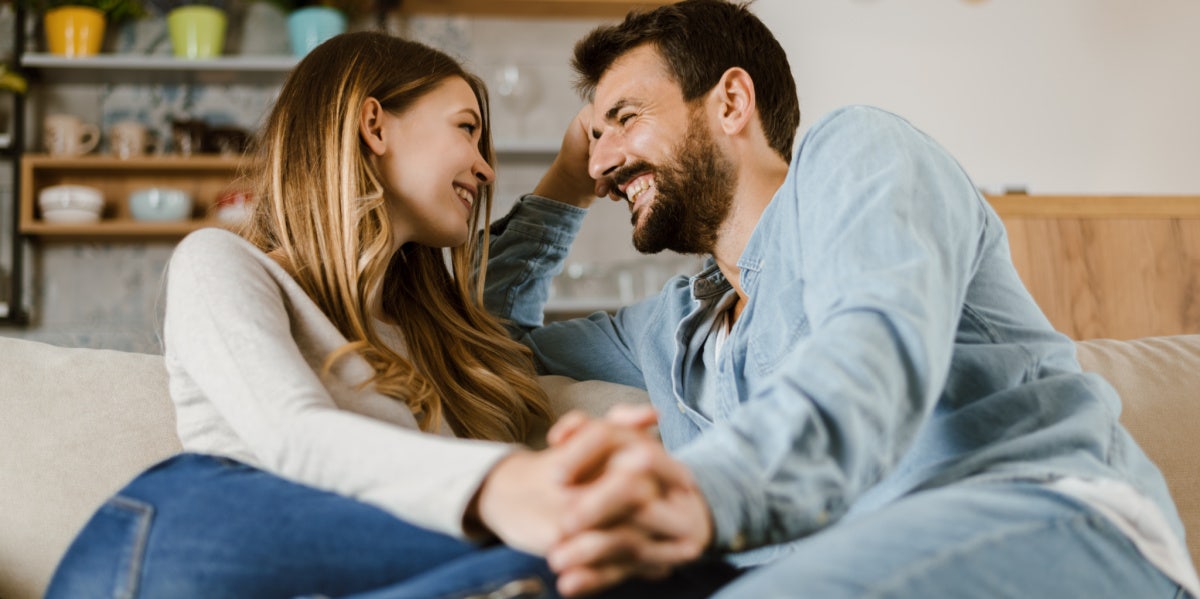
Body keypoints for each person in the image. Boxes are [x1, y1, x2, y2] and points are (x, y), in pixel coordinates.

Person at [482, 1, 1200, 597]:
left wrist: (703, 490)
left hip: (1054, 521)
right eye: (594, 138)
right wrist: (564, 183)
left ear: (731, 101)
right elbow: (482, 339)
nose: (604, 160)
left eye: (627, 116)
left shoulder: (856, 154)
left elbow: (871, 354)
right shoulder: (666, 328)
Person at [45, 31, 738, 599]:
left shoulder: (427, 340)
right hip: (176, 540)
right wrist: (504, 486)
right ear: (374, 124)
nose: (486, 167)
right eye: (467, 129)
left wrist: (570, 177)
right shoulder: (222, 262)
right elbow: (294, 437)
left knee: (649, 572)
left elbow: (497, 321)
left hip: (340, 575)